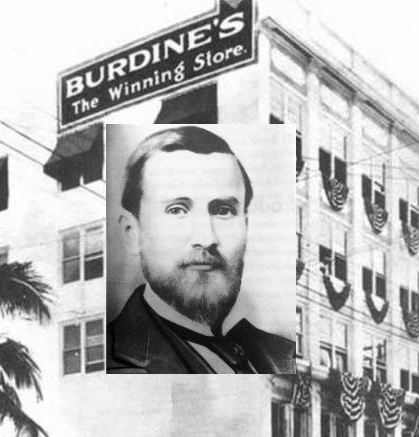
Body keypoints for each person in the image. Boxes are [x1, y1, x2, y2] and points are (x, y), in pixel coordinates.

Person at [107, 126, 295, 374]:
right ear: (133, 232)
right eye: (177, 210)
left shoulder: (281, 355)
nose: (206, 237)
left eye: (223, 210)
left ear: (246, 226)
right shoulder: (115, 359)